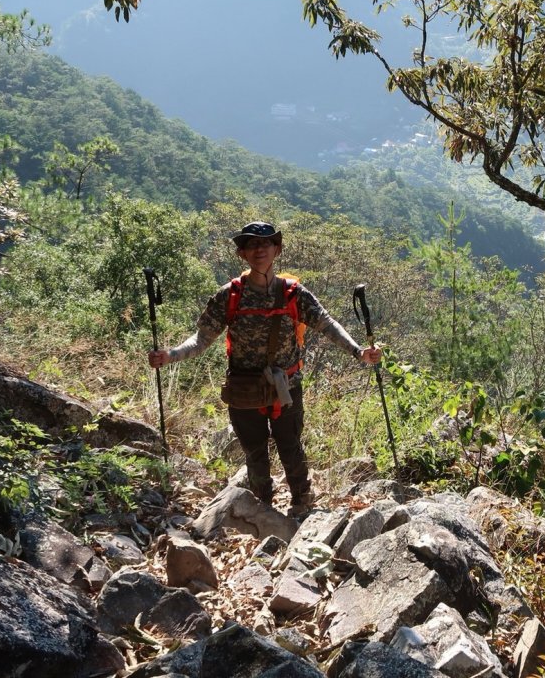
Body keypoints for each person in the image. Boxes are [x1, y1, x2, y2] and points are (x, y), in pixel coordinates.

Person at [148, 221, 381, 516]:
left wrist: (359, 352)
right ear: (242, 254)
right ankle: (263, 509)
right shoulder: (229, 296)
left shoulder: (294, 294)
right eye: (251, 245)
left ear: (277, 250)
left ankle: (301, 502)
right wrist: (169, 356)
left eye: (266, 243)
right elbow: (202, 339)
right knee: (255, 452)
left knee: (290, 446)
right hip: (244, 389)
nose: (259, 249)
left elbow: (326, 324)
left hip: (288, 384)